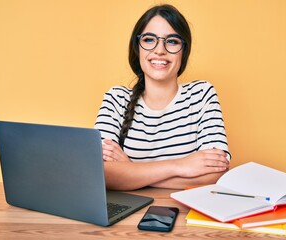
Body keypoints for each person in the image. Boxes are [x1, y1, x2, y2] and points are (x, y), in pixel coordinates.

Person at [95, 4, 230, 190]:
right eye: (149, 40)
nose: (160, 50)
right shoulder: (116, 99)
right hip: (126, 215)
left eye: (172, 41)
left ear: (184, 51)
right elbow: (100, 172)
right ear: (137, 48)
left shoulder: (202, 94)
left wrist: (130, 170)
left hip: (185, 213)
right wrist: (181, 165)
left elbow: (215, 174)